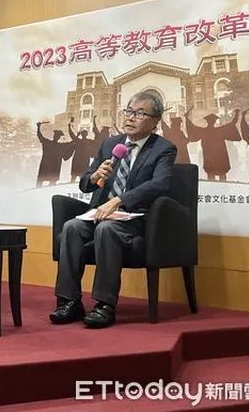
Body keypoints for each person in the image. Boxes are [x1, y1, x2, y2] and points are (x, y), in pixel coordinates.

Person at [50, 90, 177, 329]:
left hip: (134, 216)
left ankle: (104, 305)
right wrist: (95, 176)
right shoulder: (111, 144)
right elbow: (85, 184)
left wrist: (119, 200)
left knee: (106, 229)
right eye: (129, 111)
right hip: (100, 212)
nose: (131, 117)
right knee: (71, 227)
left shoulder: (163, 148)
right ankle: (69, 301)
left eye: (140, 113)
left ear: (155, 122)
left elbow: (159, 184)